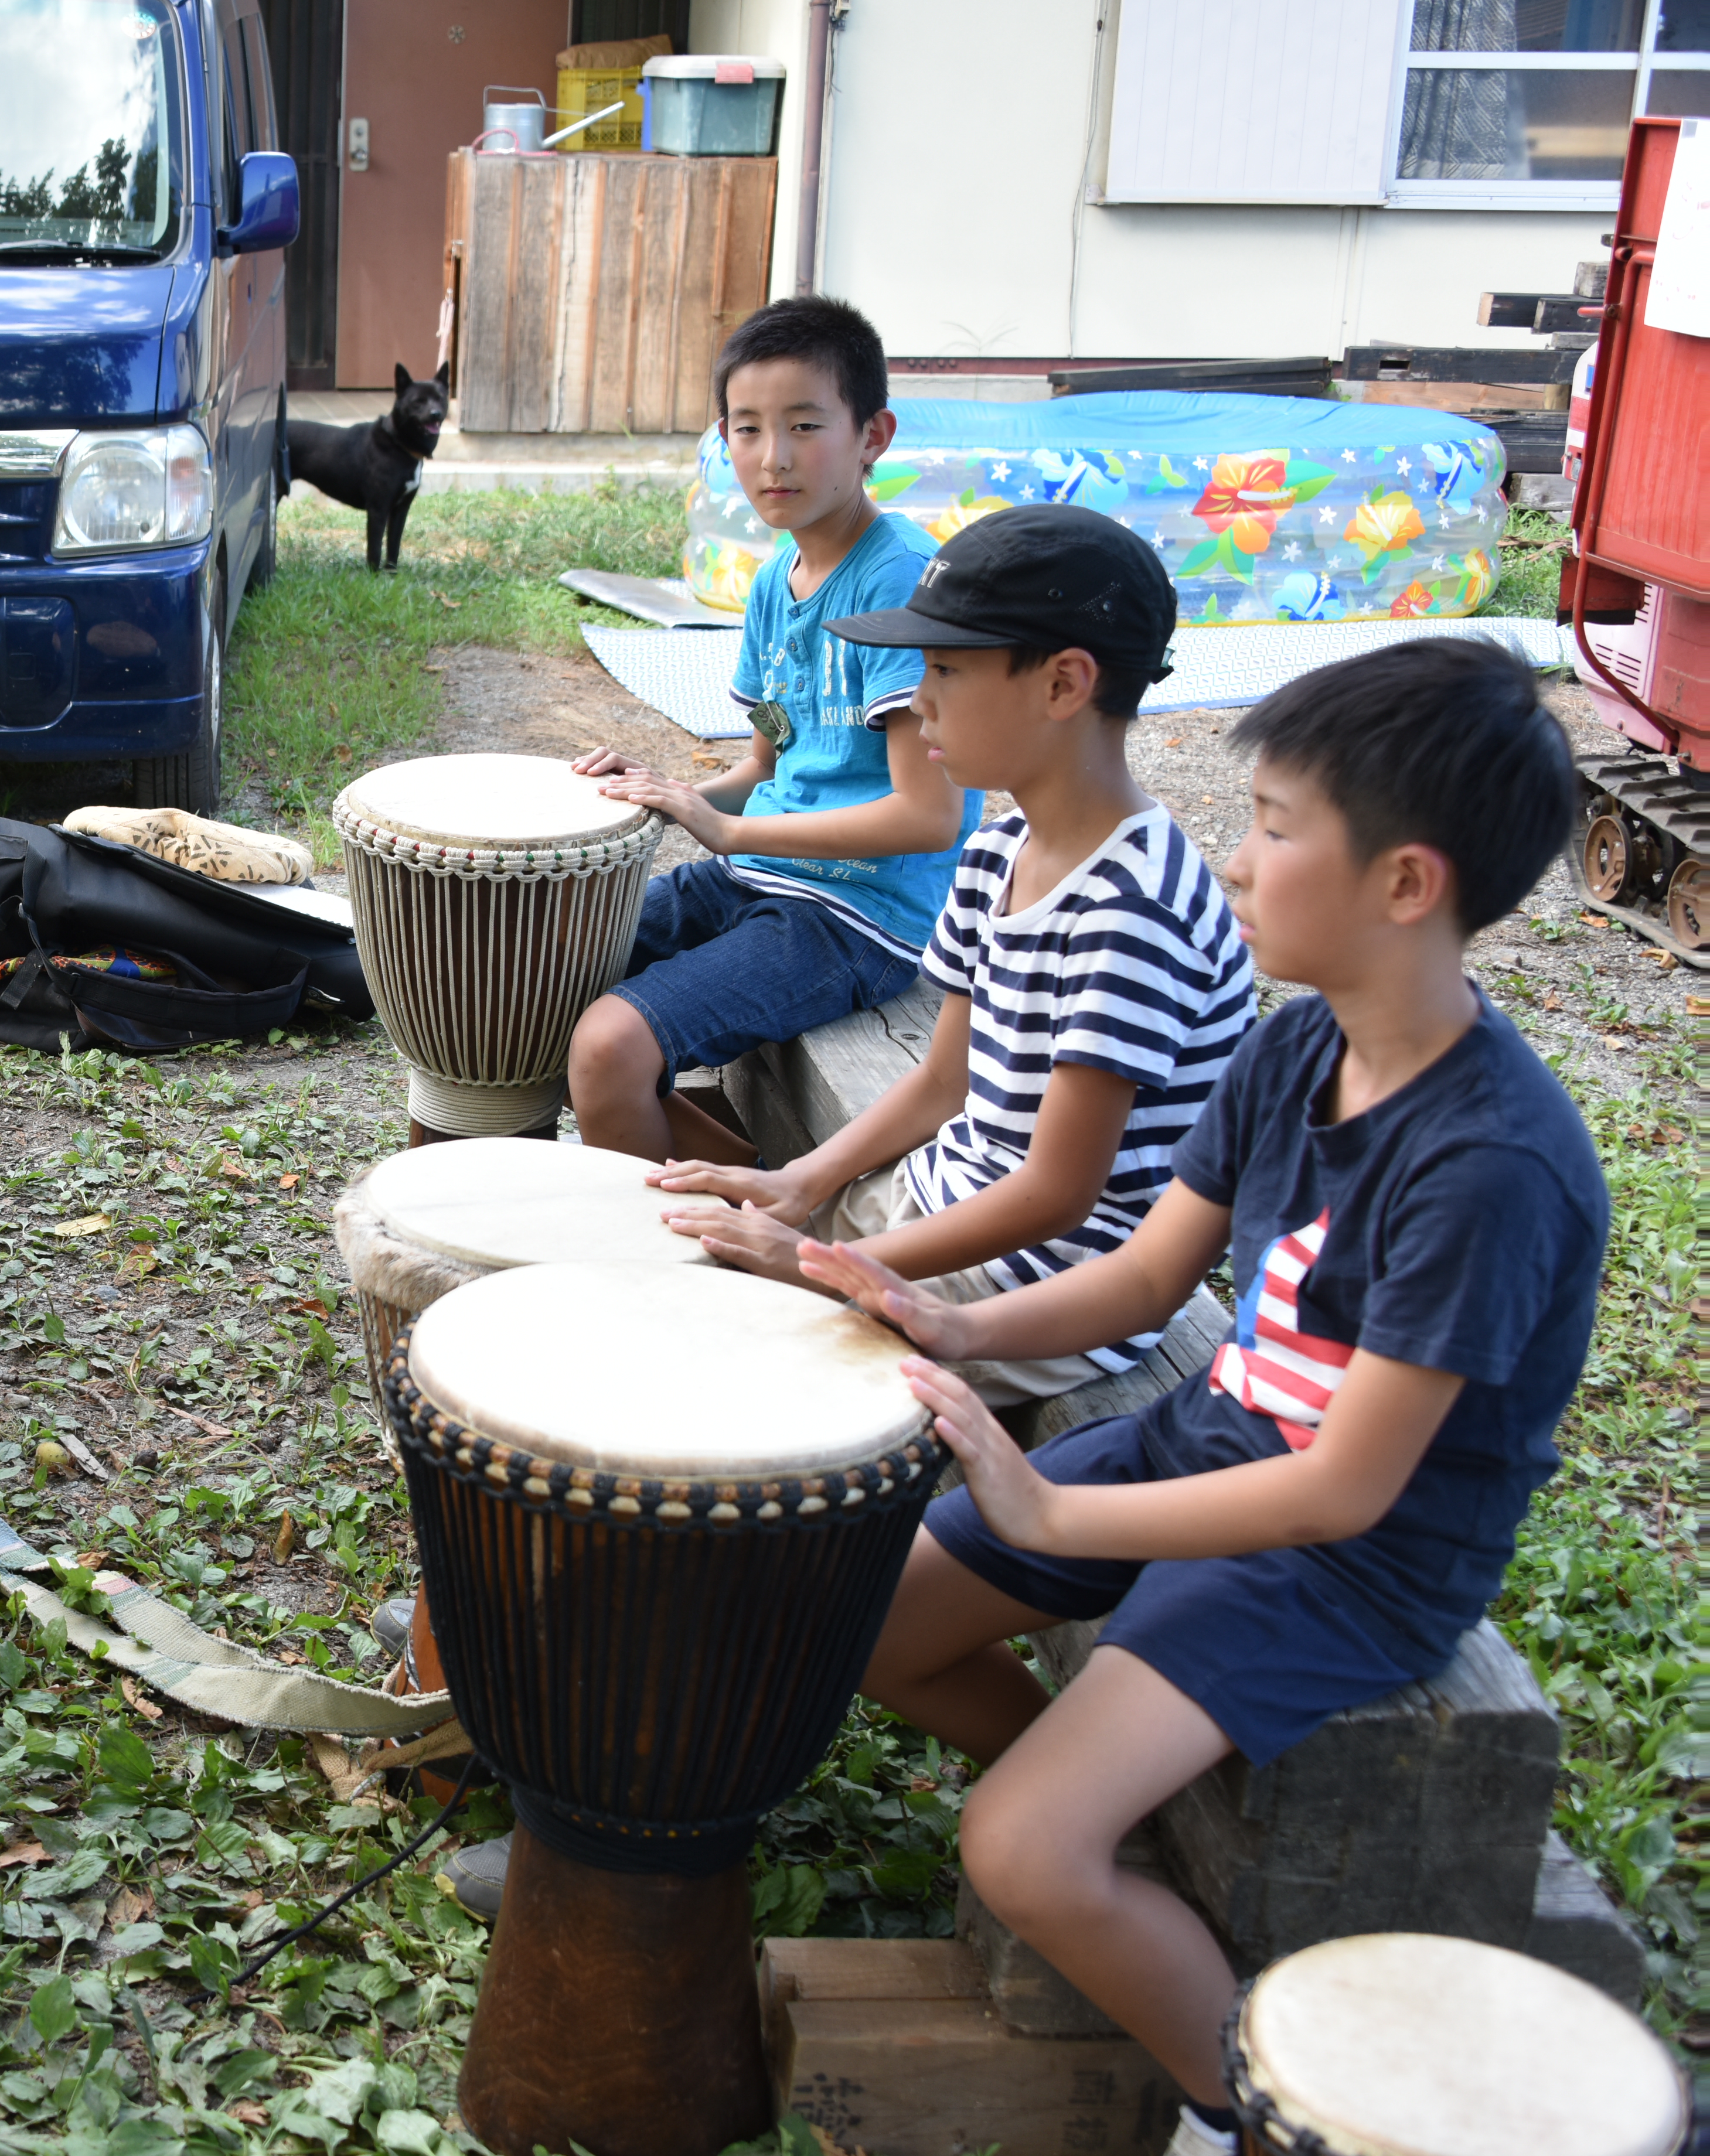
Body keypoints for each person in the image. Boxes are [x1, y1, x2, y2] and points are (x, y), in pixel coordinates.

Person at [803, 641, 1605, 2156]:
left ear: (1408, 885)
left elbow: (1346, 1489)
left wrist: (1055, 1502)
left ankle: (1245, 2100)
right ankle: (1144, 1861)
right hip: (1217, 1440)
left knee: (1019, 1849)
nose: (1235, 861)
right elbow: (1147, 1279)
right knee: (872, 1626)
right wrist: (948, 1330)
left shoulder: (1493, 1165)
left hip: (1343, 1568)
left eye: (1278, 828)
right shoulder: (1300, 1038)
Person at [651, 504, 1255, 1406]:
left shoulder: (1132, 911)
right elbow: (945, 1083)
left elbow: (1056, 1195)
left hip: (1041, 1285)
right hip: (943, 1206)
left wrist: (826, 1261)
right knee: (673, 1274)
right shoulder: (998, 853)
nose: (915, 699)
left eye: (942, 669)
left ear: (1063, 685)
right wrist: (798, 1184)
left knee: (715, 1374)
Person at [566, 296, 979, 1164]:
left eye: (803, 425)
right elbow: (765, 761)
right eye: (747, 430)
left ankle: (755, 1240)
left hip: (858, 914)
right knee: (545, 964)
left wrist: (731, 830)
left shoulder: (898, 580)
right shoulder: (769, 586)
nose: (773, 458)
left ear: (874, 435)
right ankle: (751, 1195)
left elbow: (929, 816)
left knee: (608, 1047)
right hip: (760, 874)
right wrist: (661, 794)